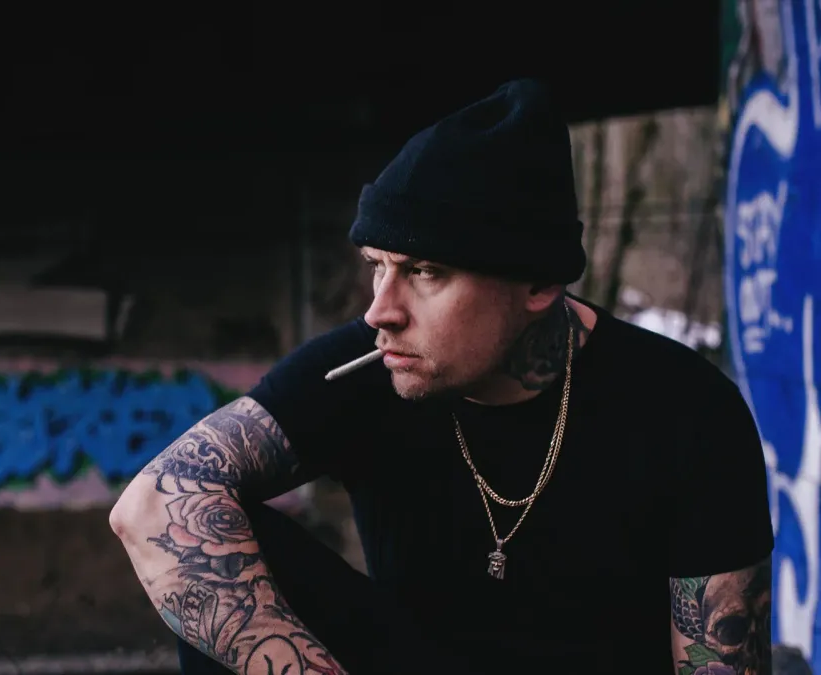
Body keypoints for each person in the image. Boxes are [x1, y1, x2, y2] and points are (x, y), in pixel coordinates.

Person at [109, 79, 774, 675]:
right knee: (210, 545)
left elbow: (721, 661)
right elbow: (150, 505)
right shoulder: (372, 363)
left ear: (538, 283)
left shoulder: (687, 410)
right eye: (378, 265)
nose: (381, 310)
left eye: (425, 272)